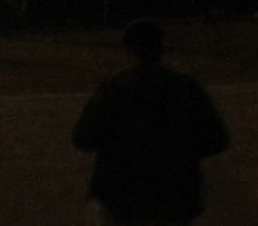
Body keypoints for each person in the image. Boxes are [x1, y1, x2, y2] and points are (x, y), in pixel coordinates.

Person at [72, 18, 231, 225]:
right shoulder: (185, 87)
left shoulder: (113, 89)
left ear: (128, 50)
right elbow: (217, 139)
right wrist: (182, 153)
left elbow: (83, 138)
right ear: (160, 49)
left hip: (123, 195)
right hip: (175, 194)